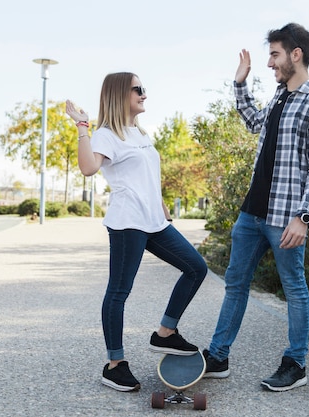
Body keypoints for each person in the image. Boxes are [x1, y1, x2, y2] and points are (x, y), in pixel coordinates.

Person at [203, 23, 309, 392]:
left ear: (297, 54)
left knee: (294, 287)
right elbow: (252, 123)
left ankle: (296, 363)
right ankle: (218, 356)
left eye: (275, 54)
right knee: (235, 283)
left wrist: (304, 216)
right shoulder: (280, 97)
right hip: (252, 213)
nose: (269, 63)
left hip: (285, 218)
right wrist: (240, 83)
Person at [65, 72, 208, 392]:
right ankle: (115, 365)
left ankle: (165, 333)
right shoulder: (105, 134)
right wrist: (82, 127)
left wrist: (160, 203)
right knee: (119, 292)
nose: (144, 94)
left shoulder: (138, 132)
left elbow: (145, 174)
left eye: (145, 88)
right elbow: (88, 168)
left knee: (196, 267)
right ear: (120, 94)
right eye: (138, 89)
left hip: (153, 220)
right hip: (128, 223)